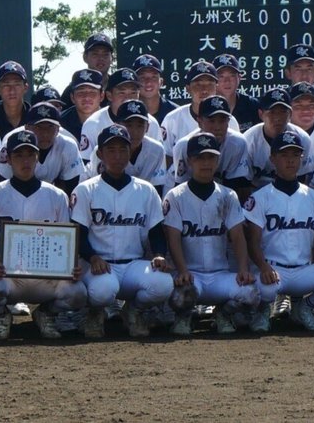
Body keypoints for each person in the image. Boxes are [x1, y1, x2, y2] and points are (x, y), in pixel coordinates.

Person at [0, 131, 87, 340]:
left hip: (47, 277)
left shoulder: (57, 196)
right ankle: (0, 315)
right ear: (8, 159)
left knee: (78, 293)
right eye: (18, 155)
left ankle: (46, 313)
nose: (25, 161)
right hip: (7, 276)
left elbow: (67, 242)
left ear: (37, 158)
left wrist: (71, 266)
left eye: (30, 155)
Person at [242, 131, 314, 332]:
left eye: (295, 155)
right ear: (273, 159)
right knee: (264, 288)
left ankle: (305, 307)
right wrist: (263, 266)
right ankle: (263, 310)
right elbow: (252, 242)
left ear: (302, 158)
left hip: (304, 270)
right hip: (273, 270)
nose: (290, 160)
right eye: (284, 155)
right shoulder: (260, 197)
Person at [72, 125, 174, 339]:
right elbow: (78, 233)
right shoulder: (85, 190)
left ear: (130, 152)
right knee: (103, 291)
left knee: (163, 284)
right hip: (98, 265)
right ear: (100, 154)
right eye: (111, 150)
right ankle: (95, 313)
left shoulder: (146, 190)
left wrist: (158, 254)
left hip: (133, 264)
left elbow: (156, 231)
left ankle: (134, 310)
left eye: (122, 150)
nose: (117, 156)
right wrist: (92, 257)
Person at [161, 133, 259, 335]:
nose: (206, 163)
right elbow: (173, 239)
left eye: (211, 158)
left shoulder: (228, 195)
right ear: (190, 161)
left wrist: (243, 268)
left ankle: (223, 314)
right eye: (200, 158)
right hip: (191, 276)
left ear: (217, 160)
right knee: (179, 296)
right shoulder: (175, 196)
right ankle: (183, 317)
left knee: (251, 294)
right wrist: (182, 270)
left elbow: (238, 236)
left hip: (220, 275)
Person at [169, 96, 253, 200]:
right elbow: (180, 189)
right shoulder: (184, 145)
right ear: (199, 121)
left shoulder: (237, 143)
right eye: (212, 121)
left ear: (228, 122)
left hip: (226, 199)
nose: (217, 127)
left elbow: (240, 186)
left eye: (222, 121)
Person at [0, 102, 86, 196]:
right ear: (27, 128)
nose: (45, 133)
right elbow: (0, 183)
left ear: (58, 128)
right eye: (38, 127)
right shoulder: (12, 141)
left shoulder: (68, 144)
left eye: (50, 127)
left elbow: (71, 187)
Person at [79, 99, 167, 195]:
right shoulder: (106, 150)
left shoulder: (157, 150)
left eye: (140, 125)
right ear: (117, 125)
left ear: (147, 127)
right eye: (129, 125)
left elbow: (157, 187)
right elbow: (96, 187)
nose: (135, 131)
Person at [160, 61, 240, 165]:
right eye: (198, 85)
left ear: (216, 87)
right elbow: (166, 158)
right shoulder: (172, 119)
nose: (204, 90)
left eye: (209, 84)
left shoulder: (230, 121)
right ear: (188, 88)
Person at [77, 68, 162, 166]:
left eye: (133, 93)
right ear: (109, 95)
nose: (128, 98)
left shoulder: (150, 122)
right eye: (122, 93)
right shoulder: (93, 123)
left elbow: (158, 159)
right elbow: (86, 164)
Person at [244, 87, 314, 189]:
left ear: (290, 114)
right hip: (257, 193)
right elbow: (244, 183)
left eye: (283, 112)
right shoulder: (248, 140)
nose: (277, 118)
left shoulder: (302, 139)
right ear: (261, 114)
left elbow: (303, 179)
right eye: (272, 112)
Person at [59, 33, 115, 106]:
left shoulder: (118, 87)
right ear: (85, 57)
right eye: (95, 54)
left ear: (112, 58)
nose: (101, 58)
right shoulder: (73, 90)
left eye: (105, 54)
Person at [57, 69, 103, 142]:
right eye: (81, 93)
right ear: (72, 97)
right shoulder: (60, 123)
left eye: (92, 93)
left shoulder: (111, 119)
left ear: (101, 96)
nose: (87, 97)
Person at [133, 54, 180, 124]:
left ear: (161, 82)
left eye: (153, 77)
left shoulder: (176, 113)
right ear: (135, 83)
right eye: (142, 78)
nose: (148, 82)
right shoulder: (127, 112)